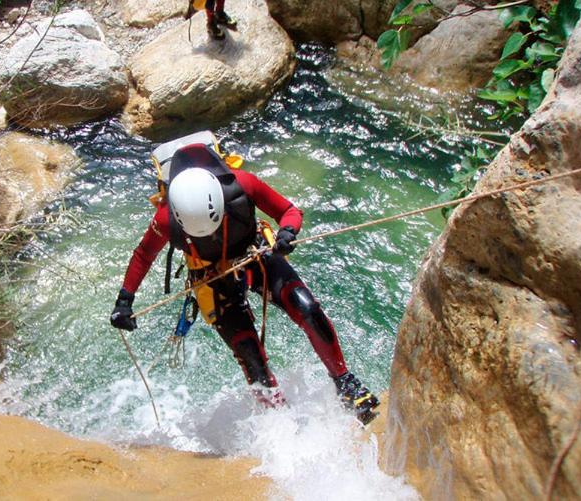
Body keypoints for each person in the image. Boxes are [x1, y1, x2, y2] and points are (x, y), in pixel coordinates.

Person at [110, 136, 380, 424]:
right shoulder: (166, 219)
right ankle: (280, 422)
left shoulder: (243, 184)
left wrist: (287, 232)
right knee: (250, 356)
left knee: (307, 309)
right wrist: (124, 300)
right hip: (212, 278)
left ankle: (345, 382)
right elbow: (143, 254)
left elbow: (288, 211)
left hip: (256, 253)